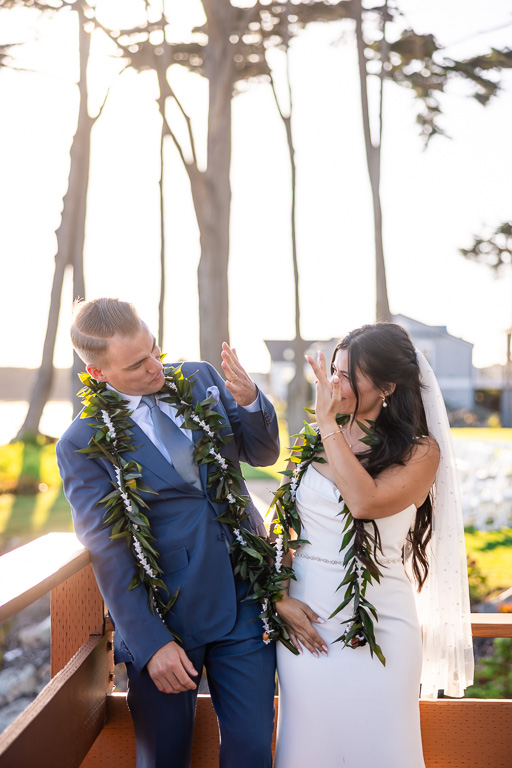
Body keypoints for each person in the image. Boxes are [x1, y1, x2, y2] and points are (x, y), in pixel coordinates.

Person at [56, 297, 280, 768]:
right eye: (137, 365)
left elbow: (260, 454)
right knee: (164, 757)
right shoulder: (82, 443)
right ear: (98, 374)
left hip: (242, 595)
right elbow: (108, 551)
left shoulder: (199, 377)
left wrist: (250, 402)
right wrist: (152, 641)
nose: (155, 367)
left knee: (254, 751)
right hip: (165, 614)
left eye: (154, 350)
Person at [272, 323, 474, 768]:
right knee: (309, 745)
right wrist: (278, 596)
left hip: (381, 622)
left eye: (348, 375)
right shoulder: (313, 442)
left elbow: (364, 502)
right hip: (308, 625)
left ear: (386, 385)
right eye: (335, 370)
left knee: (380, 747)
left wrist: (328, 424)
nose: (334, 383)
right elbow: (284, 527)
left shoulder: (421, 452)